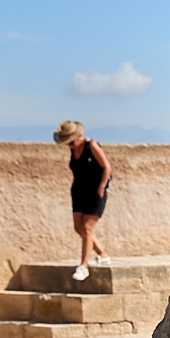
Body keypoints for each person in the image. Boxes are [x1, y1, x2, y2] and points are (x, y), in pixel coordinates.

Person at [54, 119, 113, 280]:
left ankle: (83, 266)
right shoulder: (73, 150)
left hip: (95, 192)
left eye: (71, 142)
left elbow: (107, 167)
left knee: (87, 228)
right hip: (78, 192)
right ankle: (102, 254)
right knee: (78, 228)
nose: (70, 146)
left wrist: (101, 187)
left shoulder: (91, 145)